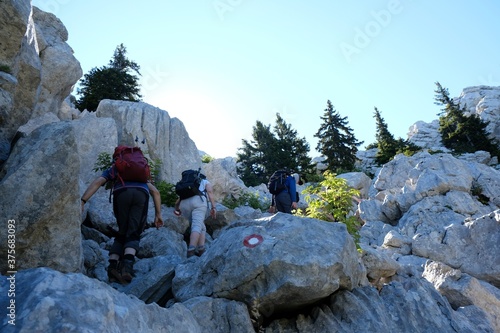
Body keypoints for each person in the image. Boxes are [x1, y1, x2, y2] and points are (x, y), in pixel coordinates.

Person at [81, 163, 163, 284]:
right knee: (134, 232)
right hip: (141, 194)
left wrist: (83, 201)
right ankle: (127, 268)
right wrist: (158, 214)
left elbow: (98, 182)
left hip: (121, 193)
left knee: (122, 231)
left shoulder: (116, 168)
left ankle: (112, 266)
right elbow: (155, 192)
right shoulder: (140, 173)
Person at [174, 173, 216, 258]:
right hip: (198, 202)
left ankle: (201, 249)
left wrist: (177, 208)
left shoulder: (188, 185)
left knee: (201, 226)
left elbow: (179, 200)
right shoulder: (204, 181)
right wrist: (213, 207)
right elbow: (210, 192)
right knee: (197, 225)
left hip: (184, 205)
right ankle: (191, 250)